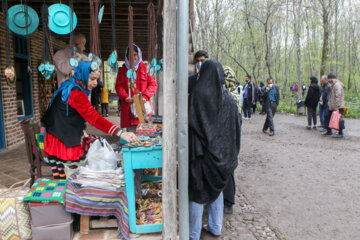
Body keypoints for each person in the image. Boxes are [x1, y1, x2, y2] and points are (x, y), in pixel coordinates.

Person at [42, 61, 137, 179]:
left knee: (94, 142)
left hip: (55, 137)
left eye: (96, 79)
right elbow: (95, 119)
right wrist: (120, 133)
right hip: (63, 143)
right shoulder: (76, 94)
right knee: (76, 176)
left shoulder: (67, 86)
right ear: (83, 75)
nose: (95, 83)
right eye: (92, 79)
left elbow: (66, 115)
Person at [188, 60, 241, 239]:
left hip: (201, 155)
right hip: (222, 157)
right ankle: (216, 227)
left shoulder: (197, 94)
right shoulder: (228, 98)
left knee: (197, 191)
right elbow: (236, 127)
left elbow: (191, 123)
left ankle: (193, 233)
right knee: (216, 189)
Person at [115, 44, 158, 130]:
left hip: (143, 106)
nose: (133, 57)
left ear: (139, 55)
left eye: (135, 55)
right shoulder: (122, 70)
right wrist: (125, 97)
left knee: (145, 134)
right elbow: (118, 86)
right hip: (128, 109)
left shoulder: (146, 68)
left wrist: (145, 97)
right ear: (126, 56)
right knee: (130, 135)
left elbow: (153, 84)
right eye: (130, 55)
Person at [322, 74, 345, 138]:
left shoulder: (337, 85)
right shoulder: (334, 84)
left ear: (331, 78)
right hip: (332, 105)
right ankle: (329, 130)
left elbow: (338, 96)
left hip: (337, 106)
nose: (328, 80)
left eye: (328, 79)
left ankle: (341, 133)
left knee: (338, 119)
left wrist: (337, 106)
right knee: (327, 117)